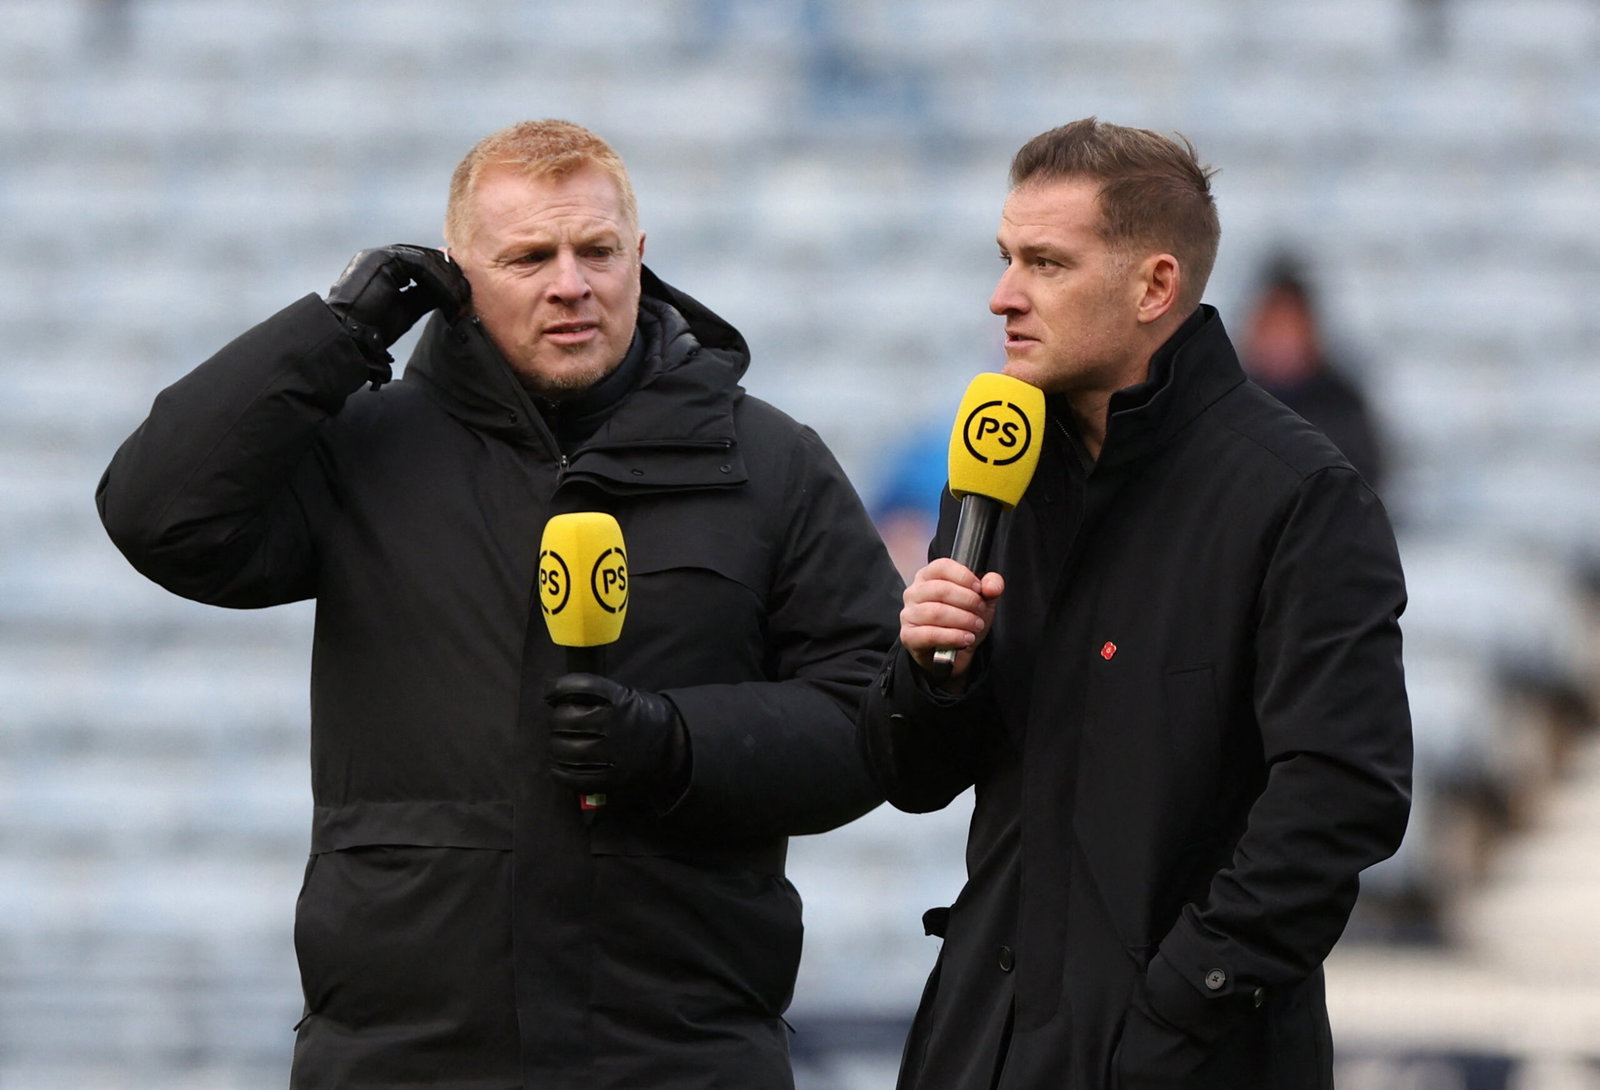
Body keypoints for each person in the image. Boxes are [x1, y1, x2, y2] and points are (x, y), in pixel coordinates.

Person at [98, 119, 903, 1090]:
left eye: (596, 251)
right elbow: (157, 513)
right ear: (460, 278)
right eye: (528, 256)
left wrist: (677, 740)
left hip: (681, 1056)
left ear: (638, 257)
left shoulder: (770, 462)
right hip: (404, 1058)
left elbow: (871, 715)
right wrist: (339, 328)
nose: (571, 283)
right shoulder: (367, 447)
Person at [858, 118, 1412, 1089]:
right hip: (982, 1048)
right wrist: (934, 668)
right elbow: (915, 774)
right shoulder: (996, 472)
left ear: (1154, 285)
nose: (1003, 295)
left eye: (1045, 263)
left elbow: (1340, 800)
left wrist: (1172, 1012)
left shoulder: (1296, 497)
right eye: (1004, 258)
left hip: (1191, 1058)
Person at [1239, 251, 1387, 489]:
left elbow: (1363, 484)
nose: (1278, 341)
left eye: (1287, 327)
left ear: (1309, 331)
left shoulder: (1342, 407)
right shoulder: (1225, 396)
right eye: (1270, 327)